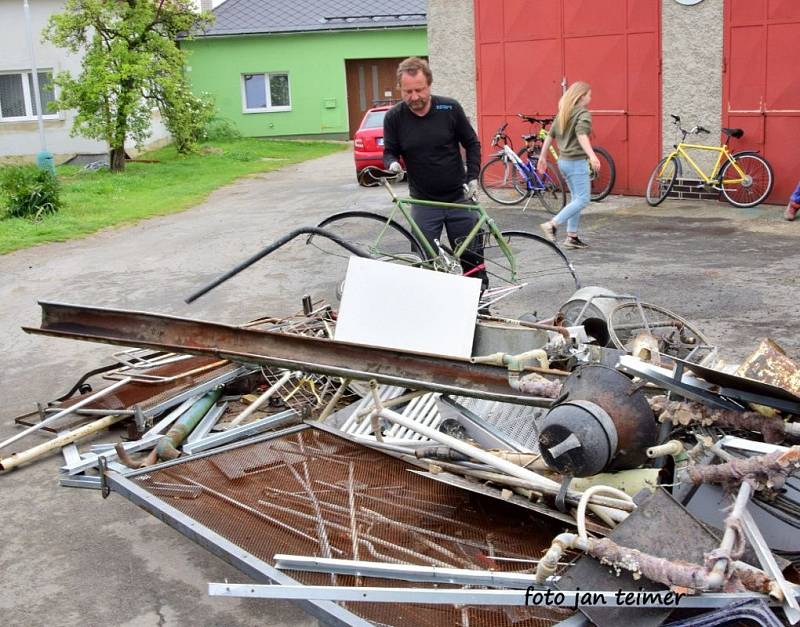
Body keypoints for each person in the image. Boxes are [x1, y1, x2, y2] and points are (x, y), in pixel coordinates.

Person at [382, 56, 487, 289]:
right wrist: (392, 165)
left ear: (429, 84)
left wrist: (473, 177)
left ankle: (481, 309)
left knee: (473, 259)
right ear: (400, 88)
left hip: (459, 199)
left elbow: (472, 143)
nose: (414, 97)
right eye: (408, 91)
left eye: (419, 90)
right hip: (423, 202)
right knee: (424, 263)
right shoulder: (394, 118)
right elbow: (390, 152)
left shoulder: (449, 108)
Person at [537, 81, 602, 249]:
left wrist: (542, 157)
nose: (591, 97)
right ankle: (552, 224)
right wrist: (592, 156)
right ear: (581, 97)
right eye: (589, 94)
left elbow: (549, 136)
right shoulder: (583, 114)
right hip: (576, 163)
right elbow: (581, 135)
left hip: (563, 162)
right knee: (583, 199)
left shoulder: (564, 113)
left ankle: (572, 237)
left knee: (576, 199)